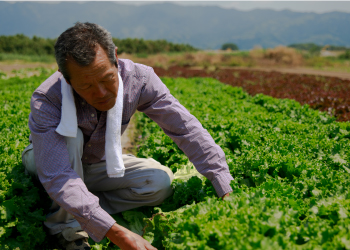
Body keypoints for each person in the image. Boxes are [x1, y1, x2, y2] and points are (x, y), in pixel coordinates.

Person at [22, 22, 233, 250]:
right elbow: (58, 175)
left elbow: (185, 128)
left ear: (115, 56)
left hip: (94, 165)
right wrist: (118, 234)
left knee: (159, 182)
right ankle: (65, 230)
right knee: (70, 137)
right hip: (49, 164)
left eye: (106, 79)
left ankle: (74, 207)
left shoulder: (139, 80)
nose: (101, 93)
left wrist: (224, 185)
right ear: (65, 77)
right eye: (87, 86)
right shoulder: (48, 99)